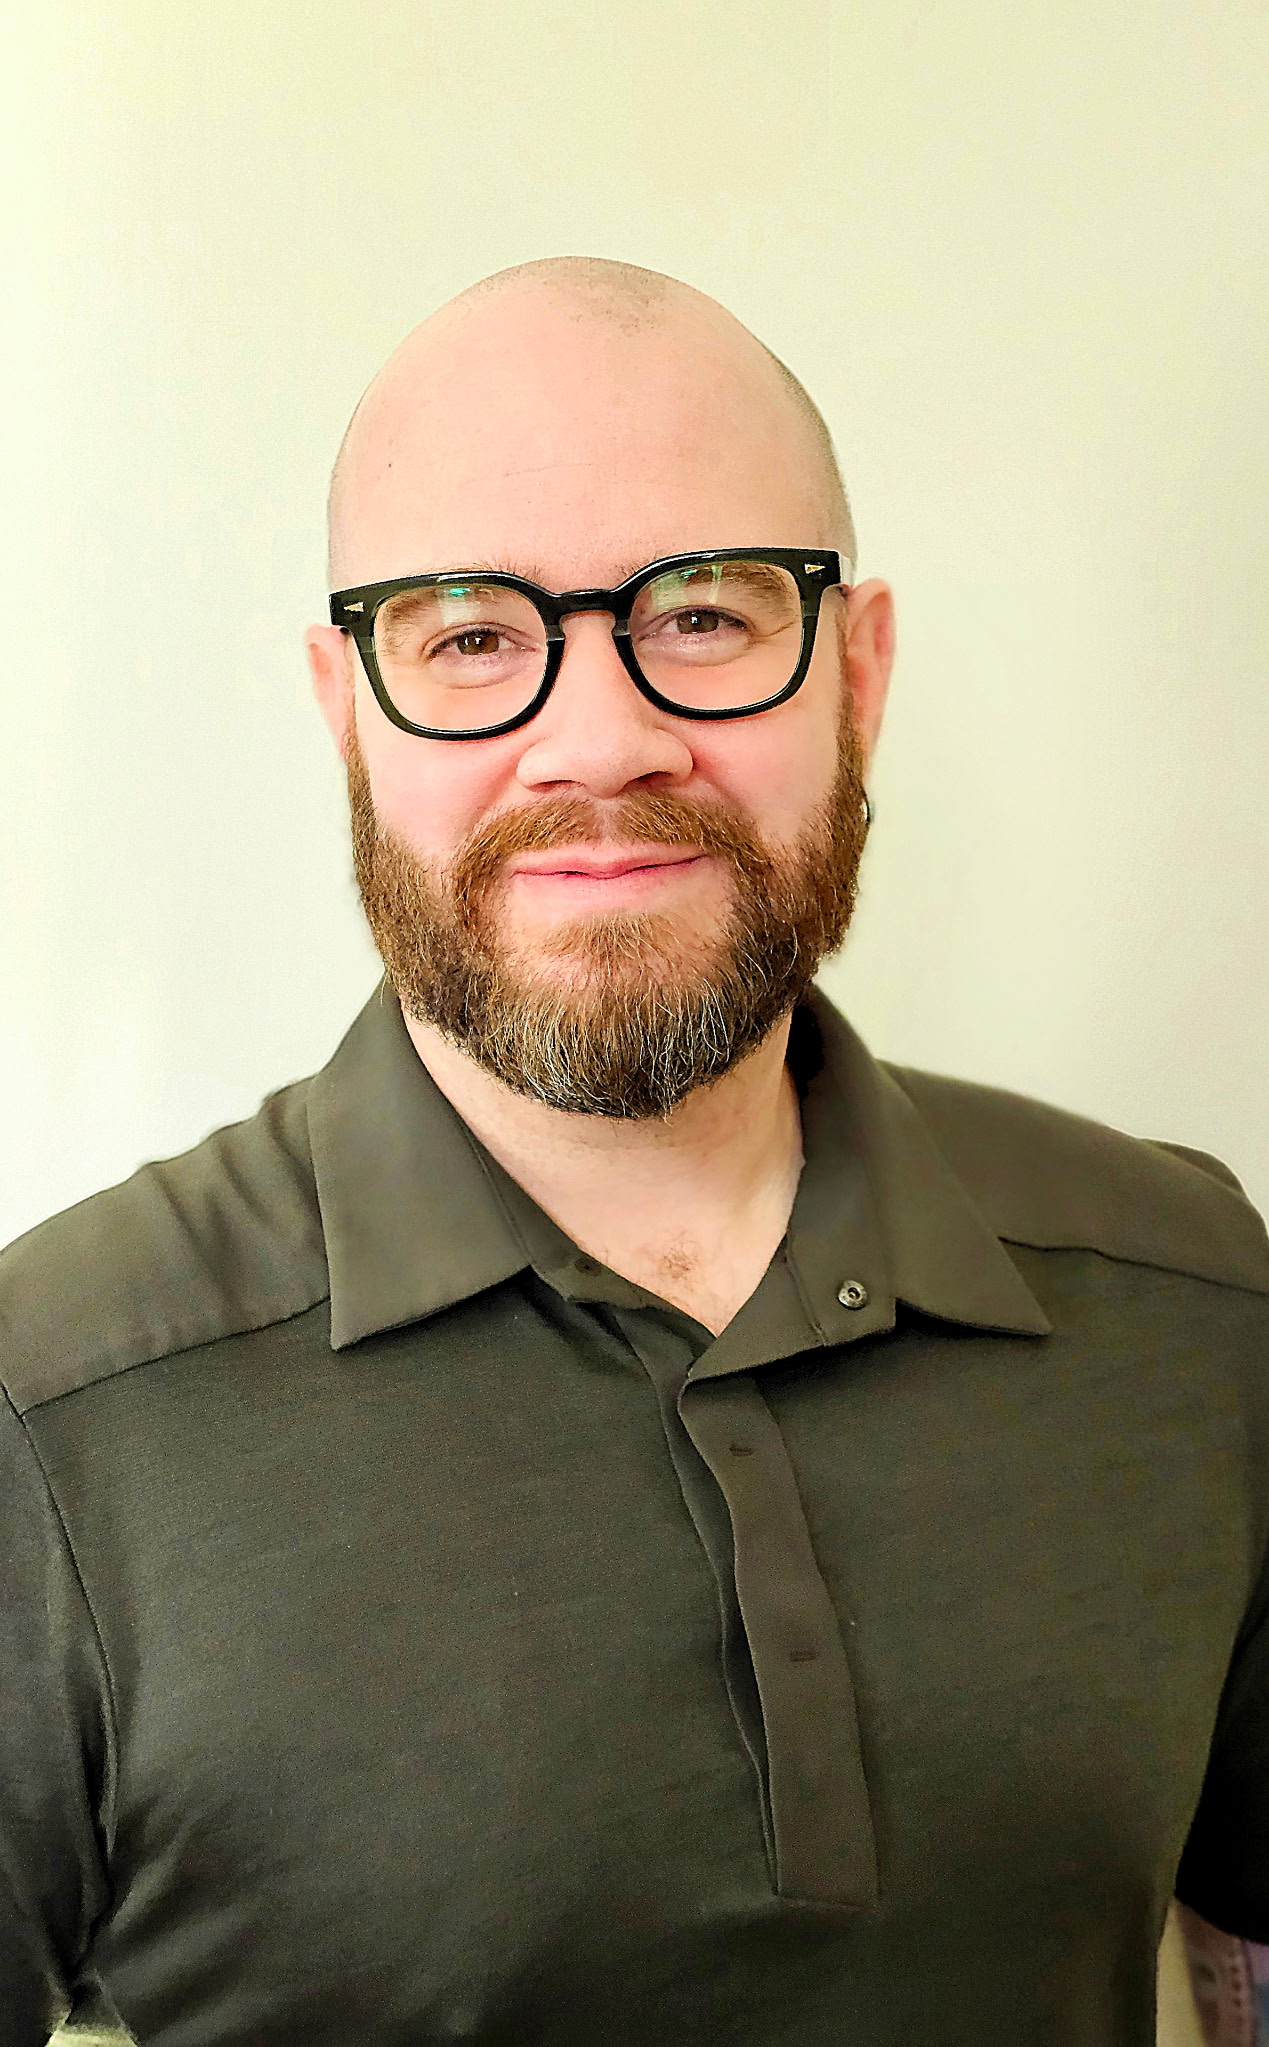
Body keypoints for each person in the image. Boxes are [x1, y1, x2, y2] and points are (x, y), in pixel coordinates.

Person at [2, 256, 1266, 2047]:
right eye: (468, 636)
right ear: (346, 707)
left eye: (704, 616)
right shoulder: (48, 1418)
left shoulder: (1196, 1296)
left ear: (858, 671)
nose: (599, 741)